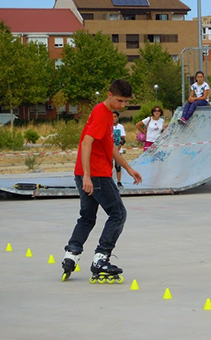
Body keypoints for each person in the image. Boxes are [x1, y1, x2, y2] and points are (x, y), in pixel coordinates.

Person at [61, 79, 142, 283]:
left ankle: (71, 255)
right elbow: (87, 144)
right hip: (95, 174)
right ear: (109, 94)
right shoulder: (101, 114)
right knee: (118, 214)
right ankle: (101, 259)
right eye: (119, 101)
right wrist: (87, 175)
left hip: (84, 173)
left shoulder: (106, 116)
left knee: (87, 217)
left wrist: (128, 168)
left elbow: (110, 147)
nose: (122, 106)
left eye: (125, 102)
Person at [112, 111, 126, 189]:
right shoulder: (108, 126)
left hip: (118, 149)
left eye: (115, 117)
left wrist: (118, 148)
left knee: (118, 166)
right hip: (109, 150)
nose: (113, 118)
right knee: (109, 165)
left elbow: (123, 139)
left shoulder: (121, 127)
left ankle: (119, 181)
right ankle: (110, 181)